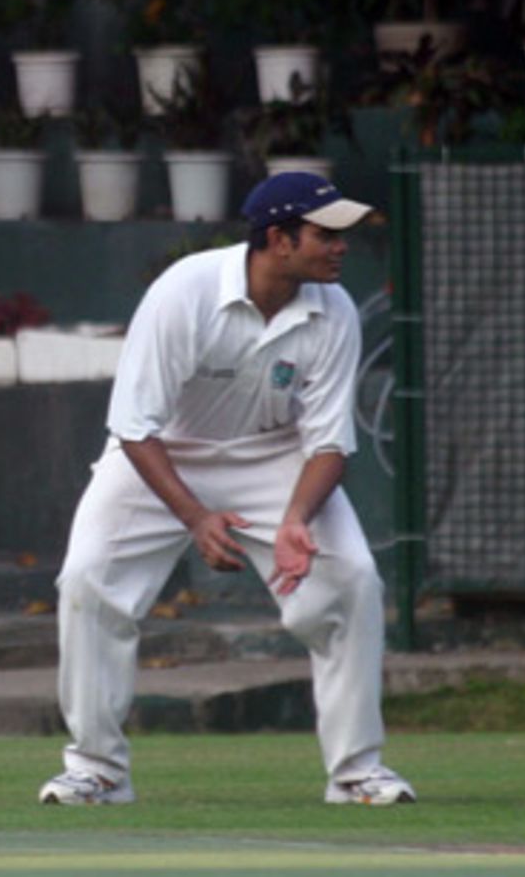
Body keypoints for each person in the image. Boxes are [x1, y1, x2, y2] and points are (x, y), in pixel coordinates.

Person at [40, 173, 417, 809]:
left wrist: (297, 518)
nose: (341, 247)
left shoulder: (336, 310)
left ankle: (357, 773)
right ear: (280, 238)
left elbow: (328, 443)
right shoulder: (184, 291)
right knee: (86, 581)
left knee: (353, 578)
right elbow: (134, 425)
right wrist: (195, 518)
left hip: (275, 457)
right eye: (327, 235)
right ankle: (97, 770)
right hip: (158, 456)